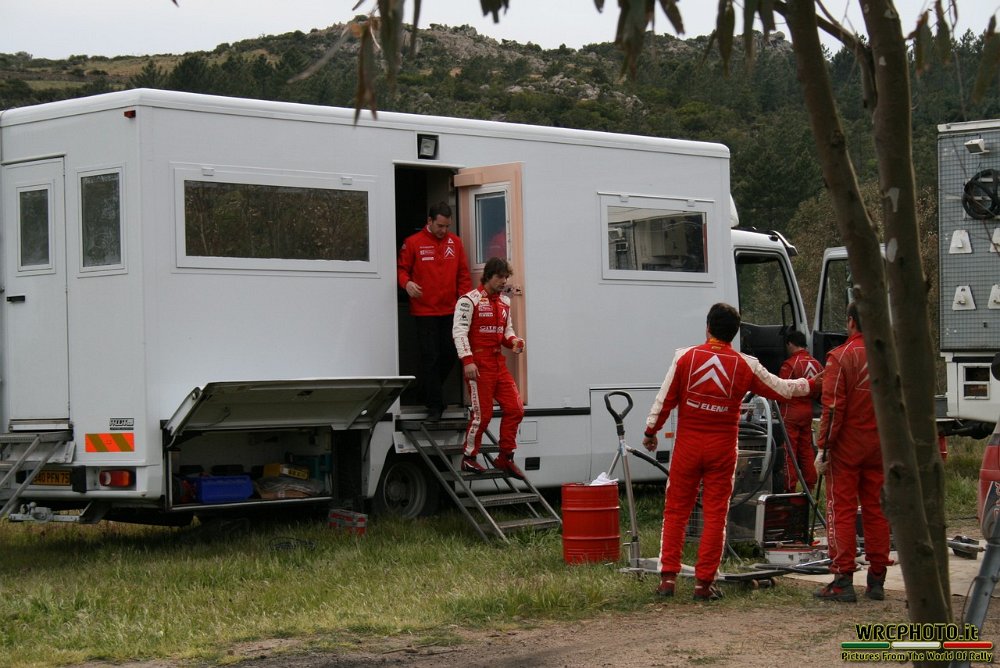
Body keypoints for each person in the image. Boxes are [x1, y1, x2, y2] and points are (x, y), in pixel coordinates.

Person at [642, 303, 818, 601]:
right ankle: (704, 584)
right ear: (735, 333)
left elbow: (664, 400)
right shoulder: (746, 364)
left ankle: (668, 580)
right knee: (715, 515)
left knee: (676, 512)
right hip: (722, 451)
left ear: (707, 327)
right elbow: (782, 389)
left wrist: (650, 432)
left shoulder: (685, 357)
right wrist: (812, 384)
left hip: (687, 448)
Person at [813, 301, 891, 602]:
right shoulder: (890, 357)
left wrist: (824, 447)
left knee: (841, 510)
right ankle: (877, 579)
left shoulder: (841, 356)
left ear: (851, 322)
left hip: (846, 448)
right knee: (877, 510)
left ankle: (842, 579)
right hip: (881, 447)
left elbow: (833, 408)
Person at [397, 202, 472, 421]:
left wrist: (465, 303)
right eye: (440, 226)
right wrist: (407, 284)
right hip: (425, 311)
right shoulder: (413, 242)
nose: (443, 230)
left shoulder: (455, 243)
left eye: (447, 226)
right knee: (430, 358)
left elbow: (463, 275)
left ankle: (426, 391)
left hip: (450, 310)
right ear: (429, 221)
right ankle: (435, 406)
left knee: (451, 354)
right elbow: (401, 270)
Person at [452, 257, 526, 479]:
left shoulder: (505, 302)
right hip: (478, 364)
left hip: (498, 363)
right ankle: (469, 458)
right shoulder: (468, 300)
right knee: (482, 415)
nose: (504, 281)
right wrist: (467, 360)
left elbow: (506, 332)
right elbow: (459, 332)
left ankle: (506, 457)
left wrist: (514, 342)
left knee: (516, 408)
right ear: (488, 276)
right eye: (500, 277)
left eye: (506, 277)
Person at [778, 330, 822, 493]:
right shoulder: (817, 364)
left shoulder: (789, 364)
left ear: (790, 344)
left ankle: (789, 488)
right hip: (808, 410)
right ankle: (810, 485)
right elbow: (820, 388)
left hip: (791, 410)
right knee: (806, 449)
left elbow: (782, 389)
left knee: (789, 450)